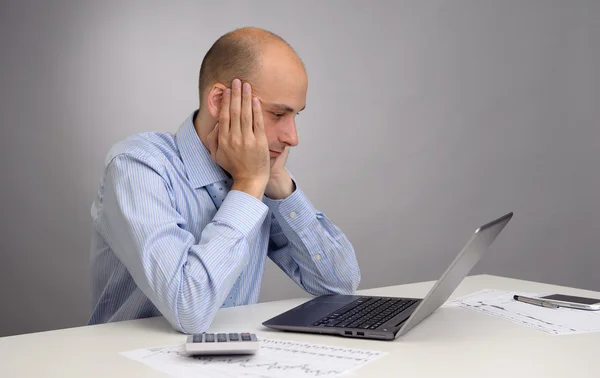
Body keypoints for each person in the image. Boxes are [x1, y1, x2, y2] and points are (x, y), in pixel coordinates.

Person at [88, 27, 360, 334]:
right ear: (219, 101)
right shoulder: (138, 167)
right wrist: (247, 186)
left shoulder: (258, 174)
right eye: (277, 114)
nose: (292, 138)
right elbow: (188, 310)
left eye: (296, 115)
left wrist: (277, 181)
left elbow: (339, 284)